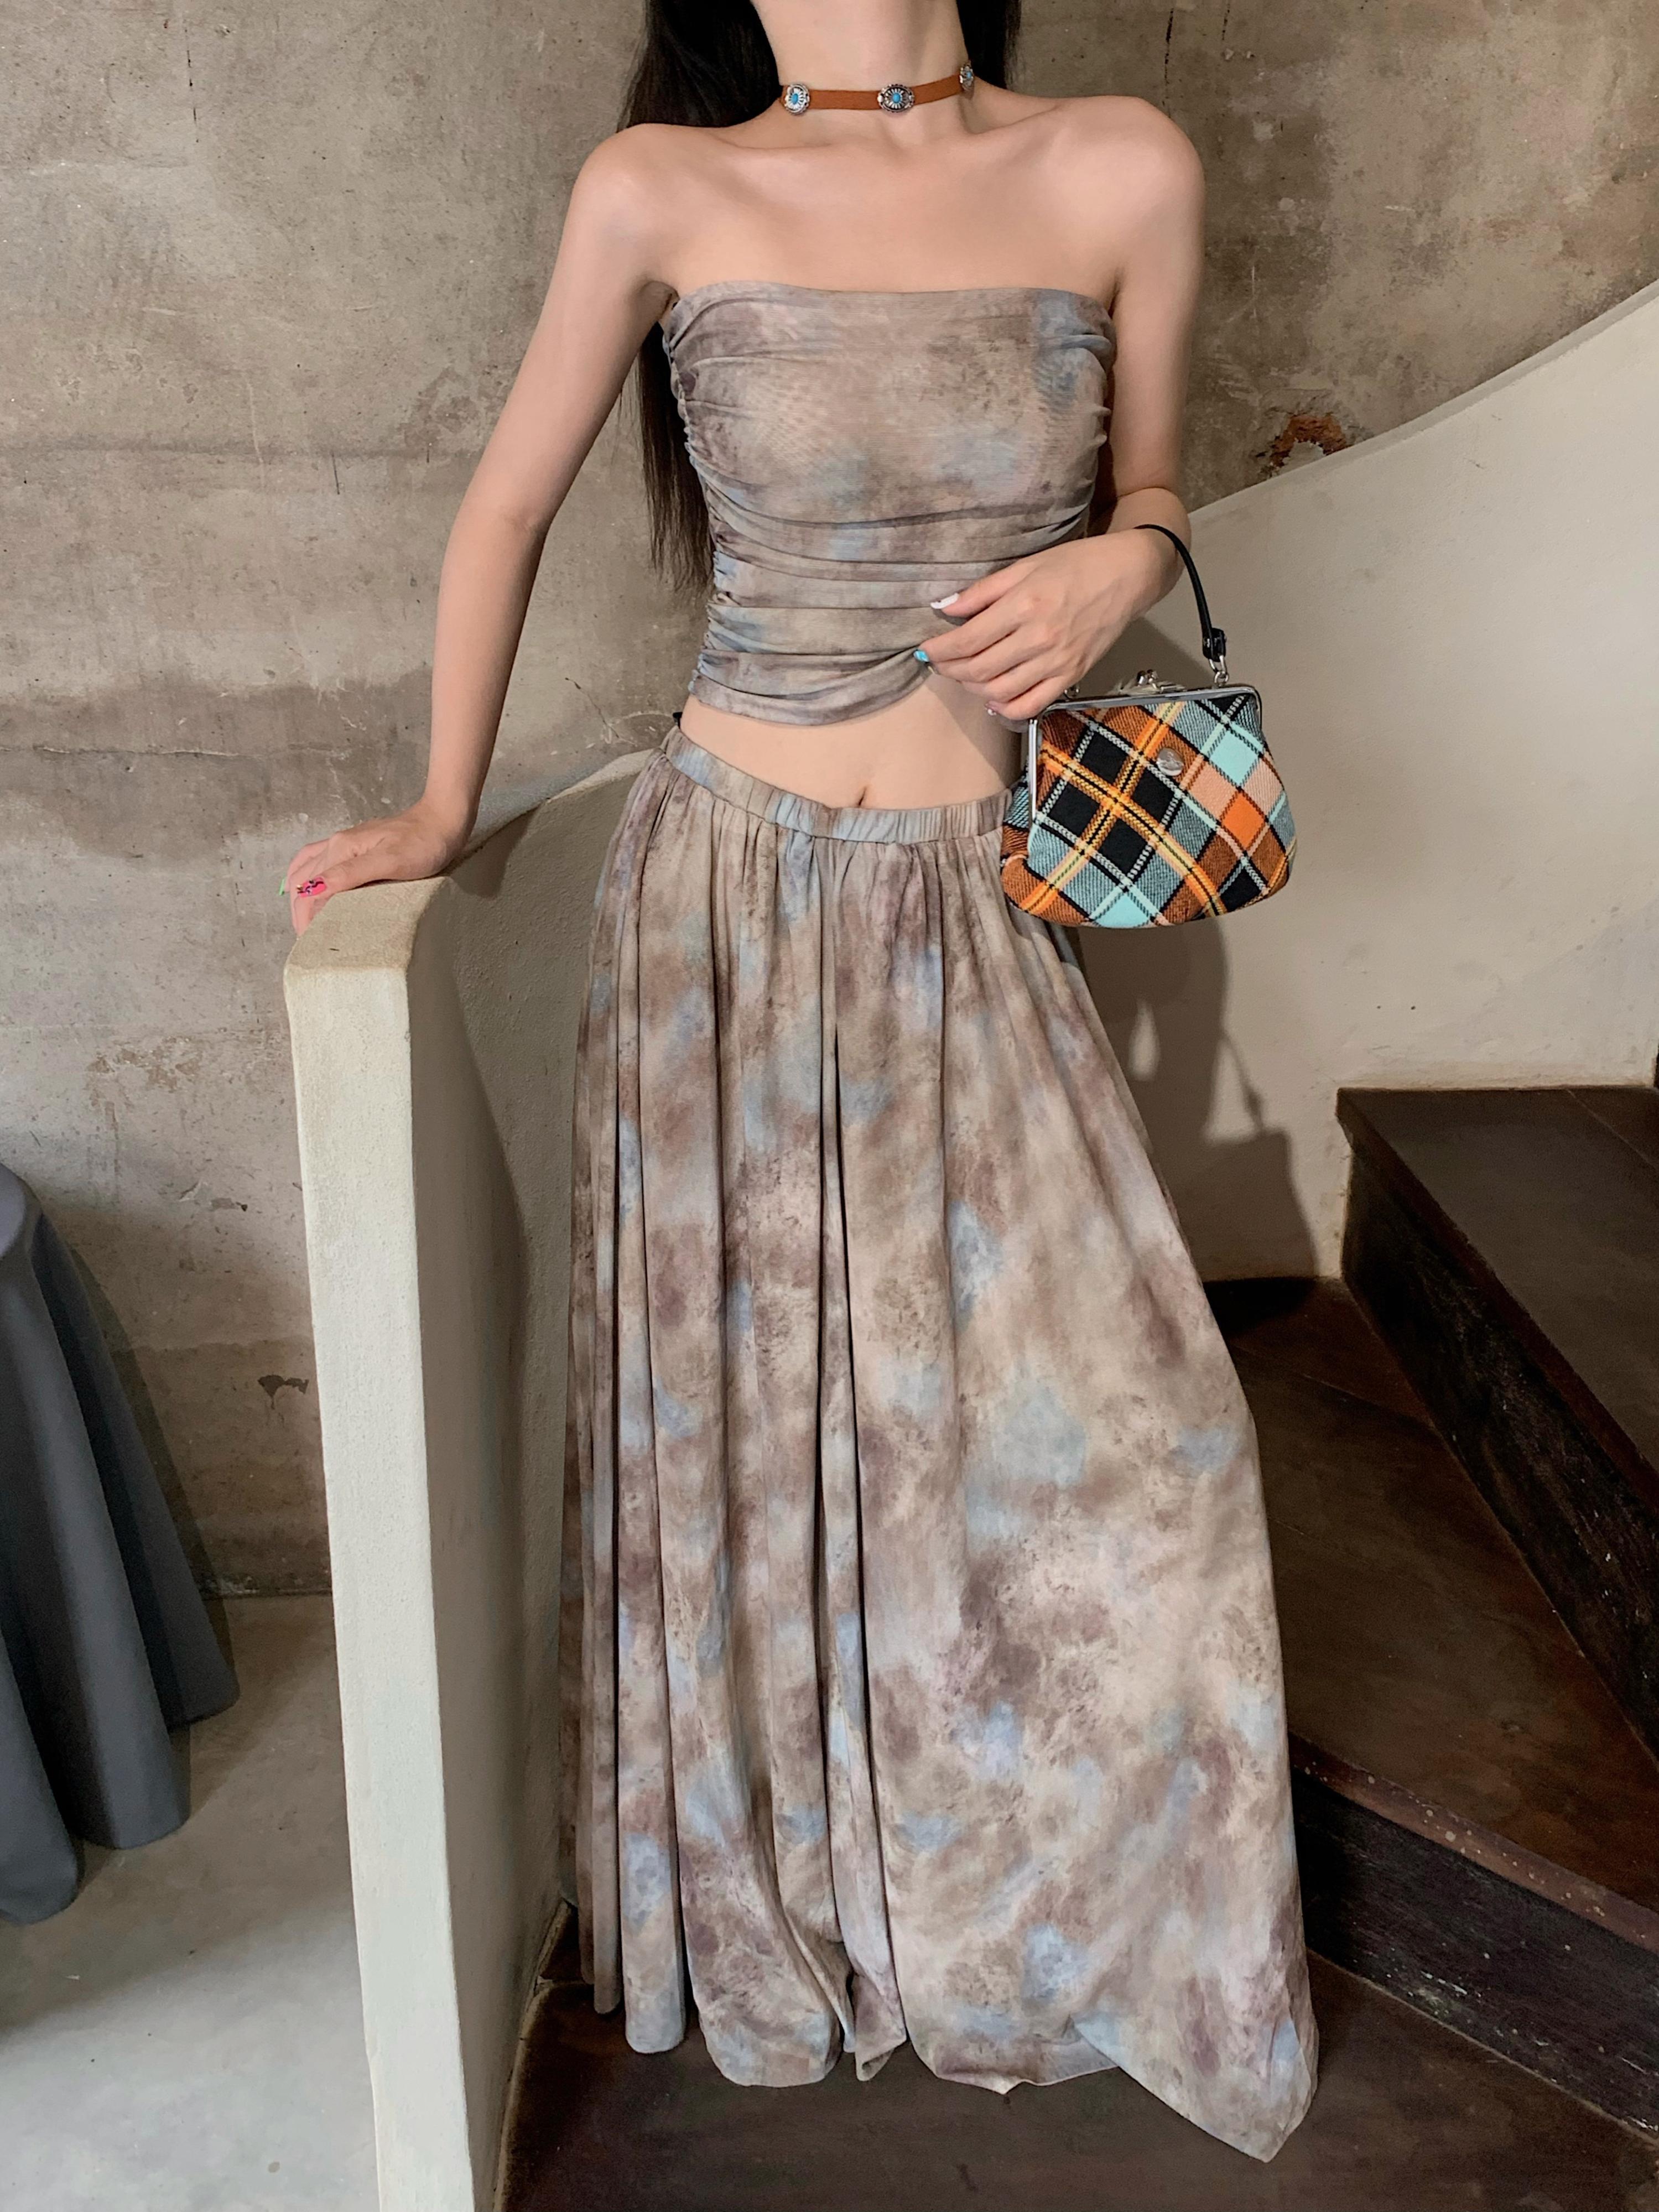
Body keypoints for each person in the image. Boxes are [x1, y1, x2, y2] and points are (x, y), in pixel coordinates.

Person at [283, 0, 1318, 2163]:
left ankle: (1010, 1887)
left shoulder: (1120, 164)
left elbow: (1147, 482)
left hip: (973, 900)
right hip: (722, 912)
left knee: (1142, 1440)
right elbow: (507, 503)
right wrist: (441, 804)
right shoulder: (661, 188)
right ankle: (805, 1881)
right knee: (750, 1438)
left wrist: (1128, 554)